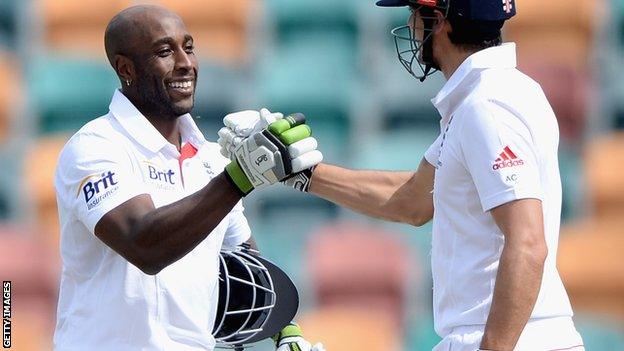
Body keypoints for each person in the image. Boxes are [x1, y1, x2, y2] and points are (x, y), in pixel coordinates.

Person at [218, 0, 585, 350]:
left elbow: (527, 243)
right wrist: (302, 173)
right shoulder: (494, 94)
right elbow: (413, 199)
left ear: (440, 19)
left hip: (508, 337)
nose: (411, 24)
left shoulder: (486, 106)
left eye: (415, 11)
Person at [53, 5, 323, 351]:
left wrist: (285, 332)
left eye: (189, 47)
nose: (186, 63)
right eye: (165, 51)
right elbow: (144, 245)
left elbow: (243, 258)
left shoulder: (210, 158)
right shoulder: (95, 147)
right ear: (125, 68)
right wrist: (238, 178)